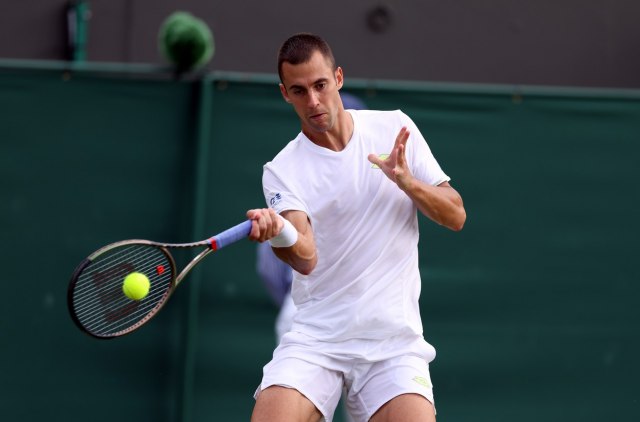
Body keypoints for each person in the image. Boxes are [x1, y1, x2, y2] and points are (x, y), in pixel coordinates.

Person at [246, 33, 466, 422]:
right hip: (317, 341)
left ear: (338, 78)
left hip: (393, 345)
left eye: (320, 85)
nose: (313, 101)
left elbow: (456, 215)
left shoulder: (395, 128)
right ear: (285, 94)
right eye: (299, 91)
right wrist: (278, 232)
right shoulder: (282, 170)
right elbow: (306, 257)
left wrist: (408, 183)